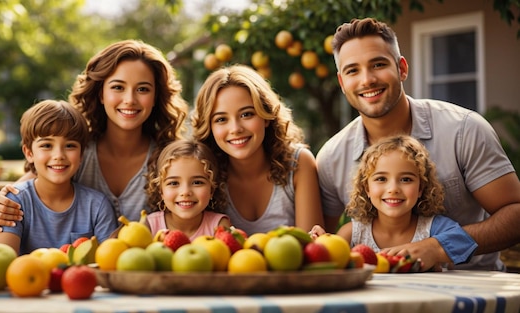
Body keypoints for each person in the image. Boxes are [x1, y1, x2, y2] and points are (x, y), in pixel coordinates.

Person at [316, 17, 520, 271]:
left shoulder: (464, 129)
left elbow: (515, 213)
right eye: (353, 70)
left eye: (378, 64)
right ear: (342, 82)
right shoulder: (331, 157)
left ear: (402, 68)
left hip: (473, 296)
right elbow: (321, 246)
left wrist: (439, 247)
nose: (367, 79)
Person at [0, 40, 189, 230]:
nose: (129, 99)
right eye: (118, 87)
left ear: (155, 97)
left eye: (143, 89)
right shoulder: (73, 151)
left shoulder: (170, 160)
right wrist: (1, 208)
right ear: (101, 93)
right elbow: (14, 201)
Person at [191, 64, 324, 235]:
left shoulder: (298, 163)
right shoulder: (202, 172)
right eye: (221, 119)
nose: (235, 128)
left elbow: (313, 247)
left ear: (266, 116)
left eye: (246, 114)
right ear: (209, 127)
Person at [312, 135, 477, 269]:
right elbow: (334, 263)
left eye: (406, 179)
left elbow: (466, 243)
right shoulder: (353, 233)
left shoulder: (434, 228)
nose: (393, 189)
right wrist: (321, 243)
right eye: (381, 179)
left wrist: (435, 250)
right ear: (366, 188)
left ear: (421, 188)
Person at [0, 100, 118, 254]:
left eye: (70, 145)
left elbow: (108, 261)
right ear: (29, 153)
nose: (59, 156)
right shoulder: (16, 202)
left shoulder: (97, 206)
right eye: (47, 145)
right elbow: (3, 260)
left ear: (81, 155)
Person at [143, 139, 231, 240]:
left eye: (197, 182)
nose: (185, 192)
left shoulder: (219, 225)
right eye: (174, 183)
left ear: (212, 188)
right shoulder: (149, 225)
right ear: (160, 190)